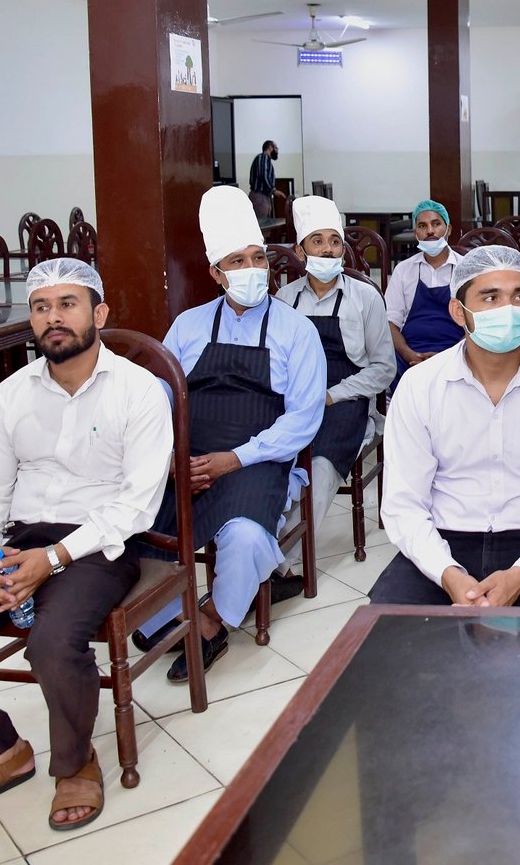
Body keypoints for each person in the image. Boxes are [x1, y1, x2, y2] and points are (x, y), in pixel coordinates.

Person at [0, 259, 171, 831]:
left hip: (97, 546)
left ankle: (76, 763)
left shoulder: (139, 390)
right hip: (16, 538)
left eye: (67, 304)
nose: (53, 318)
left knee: (52, 643)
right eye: (41, 307)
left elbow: (135, 506)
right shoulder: (13, 393)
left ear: (98, 314)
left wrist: (53, 560)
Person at [138, 186, 326, 682]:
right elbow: (159, 400)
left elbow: (303, 419)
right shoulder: (188, 325)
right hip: (191, 461)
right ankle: (168, 615)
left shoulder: (296, 331)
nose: (251, 269)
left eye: (257, 258)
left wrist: (236, 458)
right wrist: (173, 459)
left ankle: (211, 620)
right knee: (139, 523)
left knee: (244, 536)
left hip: (258, 461)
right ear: (216, 274)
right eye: (237, 262)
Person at [370, 245, 520, 608]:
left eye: (519, 296)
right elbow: (404, 504)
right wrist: (449, 574)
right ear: (458, 312)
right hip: (444, 540)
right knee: (386, 631)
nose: (508, 309)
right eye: (491, 297)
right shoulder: (420, 387)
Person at [276, 195, 396, 546]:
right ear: (300, 252)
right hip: (296, 399)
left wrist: (331, 395)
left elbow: (383, 368)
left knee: (321, 465)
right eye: (317, 241)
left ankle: (281, 561)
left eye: (334, 242)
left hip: (346, 401)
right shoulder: (285, 300)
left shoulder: (365, 297)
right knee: (273, 459)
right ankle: (260, 544)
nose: (328, 250)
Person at [386, 199, 465, 377]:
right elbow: (390, 323)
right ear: (416, 233)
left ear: (448, 229)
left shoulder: (466, 269)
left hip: (456, 354)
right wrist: (408, 354)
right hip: (409, 356)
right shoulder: (403, 270)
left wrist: (449, 357)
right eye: (422, 226)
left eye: (436, 224)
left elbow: (475, 324)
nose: (430, 231)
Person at [247, 140, 282, 218]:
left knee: (264, 221)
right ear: (270, 147)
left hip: (263, 197)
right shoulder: (263, 158)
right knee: (262, 223)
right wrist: (273, 190)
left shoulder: (266, 160)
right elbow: (264, 175)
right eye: (276, 148)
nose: (277, 151)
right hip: (259, 197)